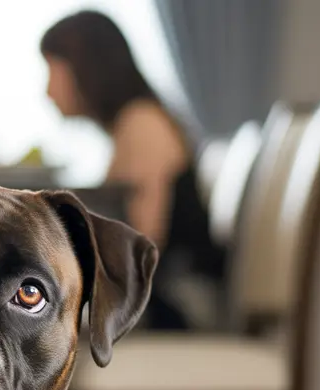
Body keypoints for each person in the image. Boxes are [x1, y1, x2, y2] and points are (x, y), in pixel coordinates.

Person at [41, 10, 224, 331]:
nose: (48, 90)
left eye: (53, 70)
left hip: (178, 303)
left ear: (84, 69)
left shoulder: (143, 125)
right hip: (174, 293)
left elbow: (143, 243)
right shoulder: (134, 124)